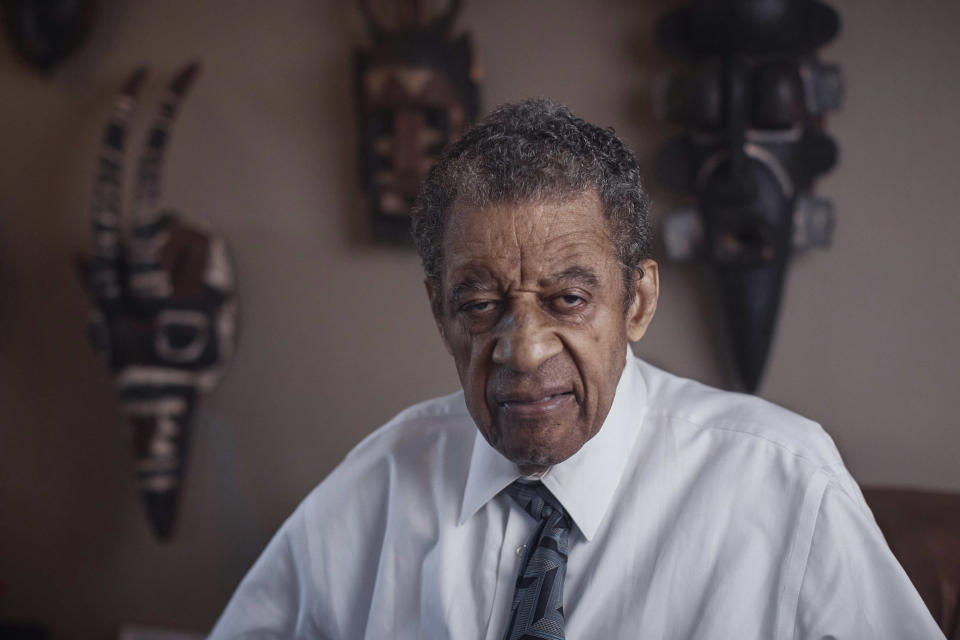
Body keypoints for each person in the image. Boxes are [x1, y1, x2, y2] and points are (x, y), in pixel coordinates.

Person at [210, 100, 944, 639]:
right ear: (440, 312)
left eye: (567, 299)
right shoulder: (380, 482)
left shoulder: (786, 484)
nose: (524, 350)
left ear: (638, 302)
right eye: (480, 303)